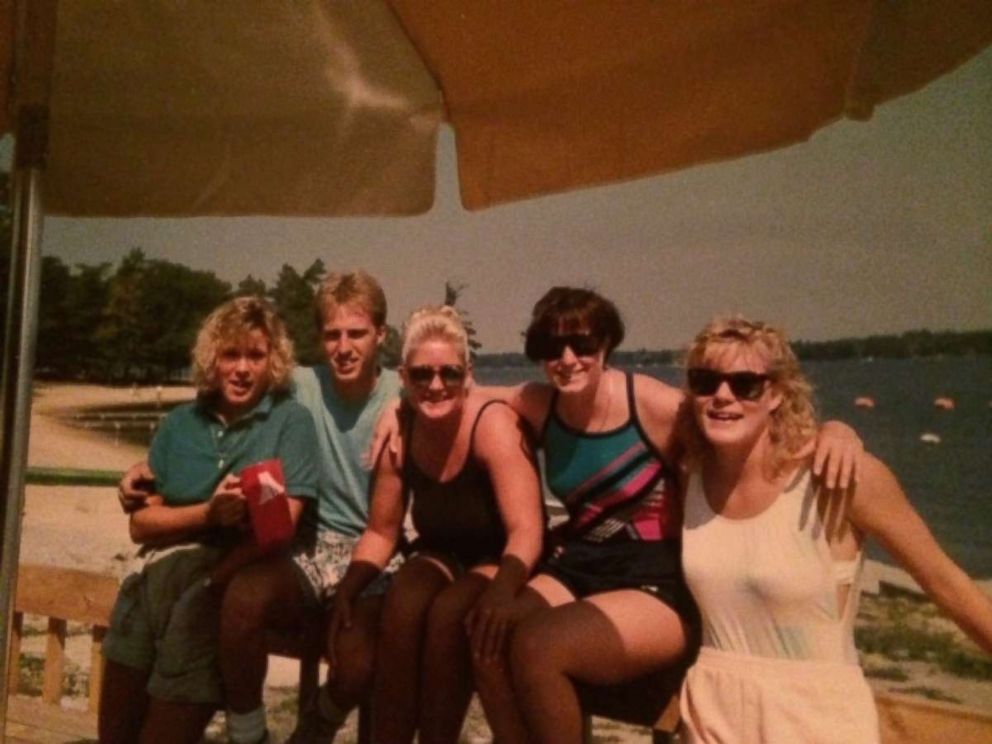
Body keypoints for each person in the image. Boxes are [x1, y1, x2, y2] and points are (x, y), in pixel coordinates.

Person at [372, 287, 861, 744]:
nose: (568, 360)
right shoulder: (542, 406)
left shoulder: (649, 405)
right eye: (553, 348)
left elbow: (737, 417)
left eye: (582, 345)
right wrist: (399, 410)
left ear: (605, 344)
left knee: (537, 647)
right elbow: (457, 393)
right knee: (485, 634)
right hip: (581, 564)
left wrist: (837, 430)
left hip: (654, 576)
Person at [677, 316, 992, 743]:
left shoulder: (841, 479)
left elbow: (947, 583)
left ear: (776, 394)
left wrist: (839, 430)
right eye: (705, 381)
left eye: (745, 384)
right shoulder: (689, 478)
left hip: (817, 720)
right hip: (712, 717)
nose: (722, 396)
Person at [118, 270, 402, 744]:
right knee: (243, 599)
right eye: (332, 335)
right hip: (308, 546)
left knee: (355, 667)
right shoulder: (303, 385)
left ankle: (319, 722)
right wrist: (140, 467)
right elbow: (235, 382)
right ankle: (249, 733)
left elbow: (460, 394)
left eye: (357, 333)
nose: (344, 347)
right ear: (319, 339)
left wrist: (401, 405)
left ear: (381, 336)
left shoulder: (402, 392)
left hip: (373, 552)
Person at [99, 297, 319, 744]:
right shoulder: (181, 423)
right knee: (115, 731)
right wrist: (208, 512)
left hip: (215, 580)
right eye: (230, 354)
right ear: (211, 360)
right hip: (149, 576)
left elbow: (283, 526)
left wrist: (215, 579)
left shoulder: (287, 422)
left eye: (255, 356)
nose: (241, 368)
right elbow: (141, 525)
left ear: (273, 363)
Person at [331, 305, 545, 744]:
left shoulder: (492, 425)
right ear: (403, 377)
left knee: (449, 615)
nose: (435, 385)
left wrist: (504, 590)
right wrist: (348, 590)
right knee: (403, 602)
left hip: (501, 557)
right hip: (439, 551)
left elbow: (527, 528)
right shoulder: (402, 428)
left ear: (468, 375)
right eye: (421, 375)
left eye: (449, 373)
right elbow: (381, 531)